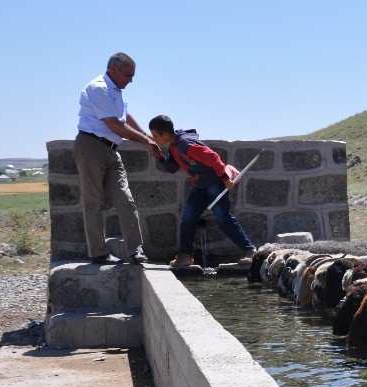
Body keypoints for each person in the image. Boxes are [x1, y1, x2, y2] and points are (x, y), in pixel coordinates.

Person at [74, 52, 160, 264]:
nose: (130, 80)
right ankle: (98, 253)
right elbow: (114, 125)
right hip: (91, 146)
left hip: (111, 150)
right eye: (127, 75)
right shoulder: (99, 88)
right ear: (113, 68)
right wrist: (145, 141)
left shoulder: (115, 90)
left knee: (125, 199)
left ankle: (134, 250)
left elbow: (125, 117)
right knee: (93, 201)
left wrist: (147, 137)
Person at [148, 115, 256, 268]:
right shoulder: (174, 145)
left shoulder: (185, 143)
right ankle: (186, 255)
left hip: (214, 183)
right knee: (188, 219)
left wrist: (225, 179)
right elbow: (172, 168)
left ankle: (249, 250)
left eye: (155, 135)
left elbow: (213, 158)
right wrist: (159, 156)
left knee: (223, 218)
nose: (153, 138)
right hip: (199, 185)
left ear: (165, 134)